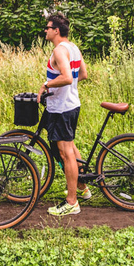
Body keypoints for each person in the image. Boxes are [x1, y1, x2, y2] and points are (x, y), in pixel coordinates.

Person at [37, 12, 89, 216]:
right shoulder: (73, 48)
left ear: (56, 30)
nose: (45, 31)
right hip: (71, 104)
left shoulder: (59, 50)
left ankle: (72, 202)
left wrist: (47, 85)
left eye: (47, 28)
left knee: (66, 153)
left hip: (62, 108)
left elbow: (67, 77)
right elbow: (82, 74)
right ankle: (83, 188)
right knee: (71, 148)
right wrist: (66, 89)